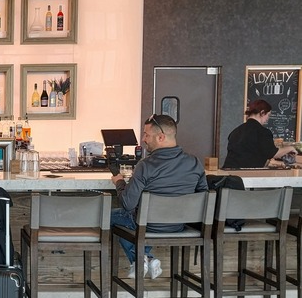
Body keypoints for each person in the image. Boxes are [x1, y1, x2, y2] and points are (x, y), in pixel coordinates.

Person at [111, 114, 208, 279]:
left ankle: (143, 257)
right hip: (178, 226)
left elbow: (127, 203)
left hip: (146, 226)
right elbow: (204, 197)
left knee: (108, 216)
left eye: (146, 135)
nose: (143, 139)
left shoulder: (146, 165)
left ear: (161, 137)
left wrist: (119, 182)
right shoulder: (195, 162)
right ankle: (145, 257)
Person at [222, 99, 296, 169]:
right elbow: (273, 153)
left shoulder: (235, 131)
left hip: (228, 174)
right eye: (268, 115)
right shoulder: (263, 132)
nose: (267, 119)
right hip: (244, 175)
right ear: (262, 112)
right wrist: (291, 148)